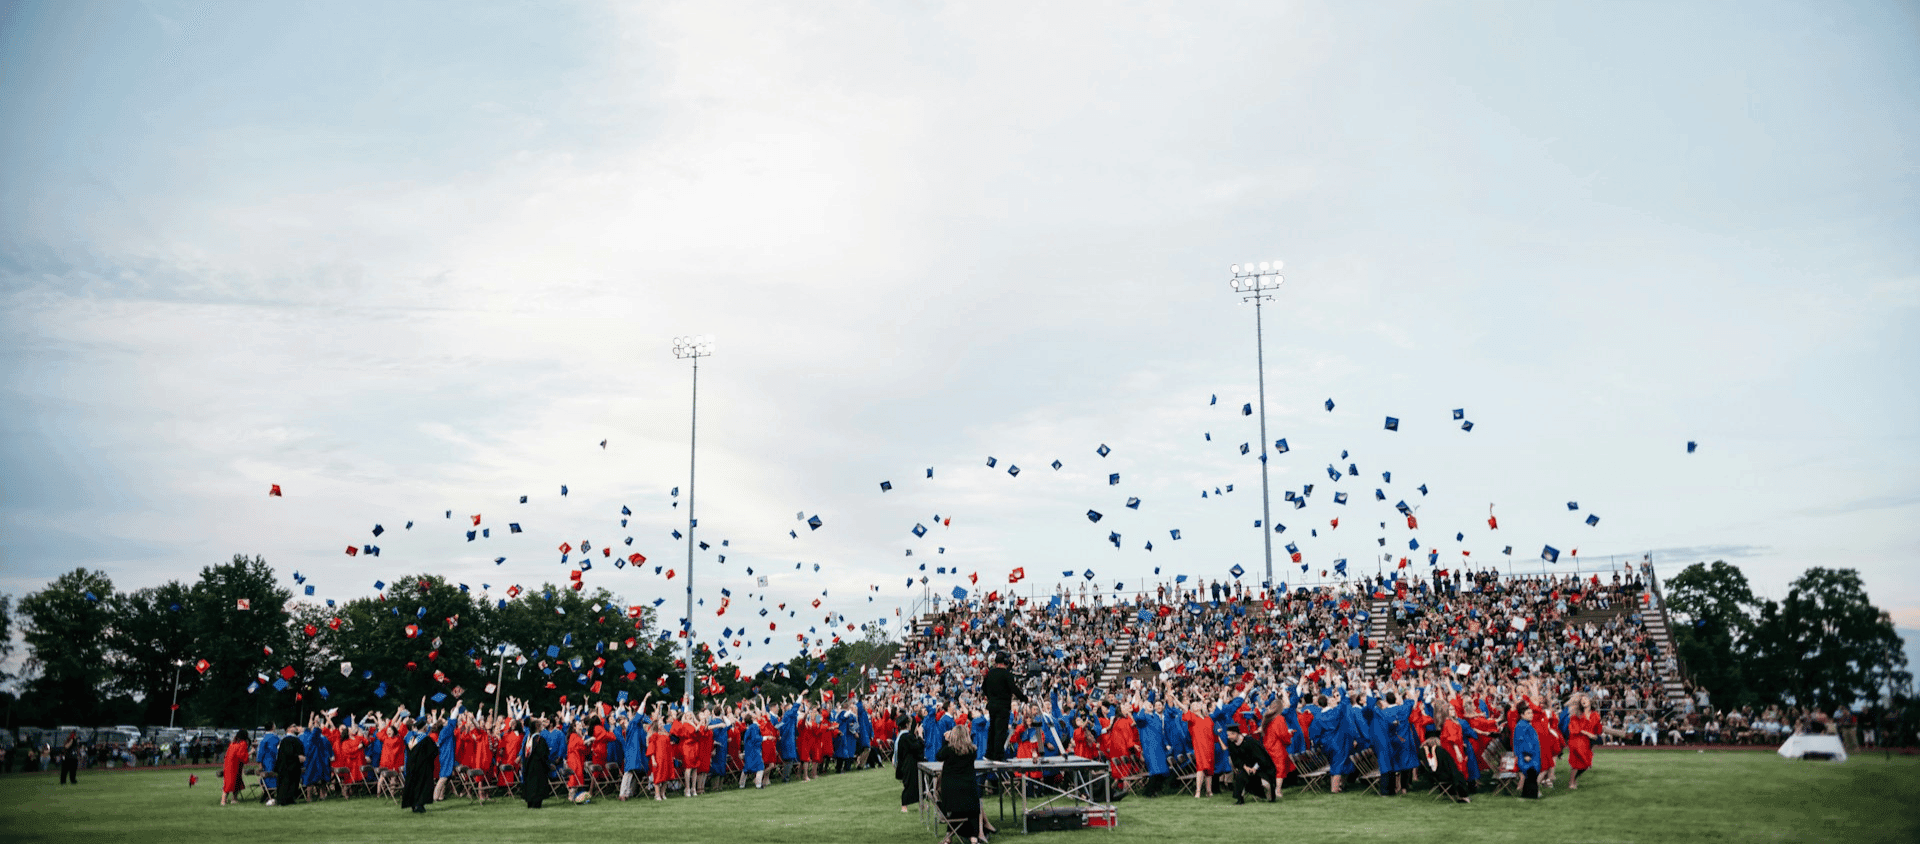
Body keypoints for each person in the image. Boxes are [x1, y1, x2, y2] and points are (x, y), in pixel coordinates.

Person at [936, 723, 985, 843]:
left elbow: (938, 756)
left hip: (950, 794)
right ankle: (974, 837)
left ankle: (949, 836)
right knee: (973, 809)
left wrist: (946, 741)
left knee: (956, 807)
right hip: (968, 793)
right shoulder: (972, 751)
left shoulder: (948, 750)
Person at [983, 653, 1028, 761]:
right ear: (1005, 662)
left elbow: (984, 687)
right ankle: (998, 756)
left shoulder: (990, 673)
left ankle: (989, 754)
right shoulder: (1006, 674)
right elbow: (1013, 688)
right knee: (1000, 731)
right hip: (1002, 706)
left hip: (992, 705)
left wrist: (991, 698)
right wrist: (1024, 698)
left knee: (992, 729)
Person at [1224, 724, 1276, 804]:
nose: (1228, 737)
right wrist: (1245, 767)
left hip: (1260, 767)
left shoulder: (1250, 742)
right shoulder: (1231, 743)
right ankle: (1240, 799)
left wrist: (1254, 768)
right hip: (1245, 768)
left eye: (1230, 735)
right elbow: (1236, 759)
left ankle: (1270, 798)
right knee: (1240, 776)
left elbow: (1261, 757)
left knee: (1266, 784)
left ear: (1236, 733)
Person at [400, 719, 437, 813]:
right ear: (425, 727)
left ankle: (413, 804)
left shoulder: (410, 738)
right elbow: (434, 752)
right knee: (422, 784)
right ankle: (419, 805)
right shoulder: (426, 739)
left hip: (410, 766)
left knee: (412, 784)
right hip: (422, 767)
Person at [1566, 693, 1601, 790]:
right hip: (1576, 739)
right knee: (1577, 762)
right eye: (1582, 701)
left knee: (1586, 764)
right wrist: (1587, 733)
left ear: (1590, 701)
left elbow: (1597, 729)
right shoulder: (1577, 714)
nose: (1583, 701)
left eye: (1585, 699)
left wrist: (1594, 736)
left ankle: (1573, 780)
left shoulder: (1595, 715)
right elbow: (1574, 727)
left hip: (1586, 741)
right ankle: (1571, 782)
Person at [894, 719, 925, 812]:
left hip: (906, 764)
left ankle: (921, 805)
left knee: (916, 784)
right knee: (910, 784)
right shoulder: (906, 737)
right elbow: (917, 747)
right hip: (909, 764)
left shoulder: (902, 737)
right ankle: (904, 806)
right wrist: (920, 736)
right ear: (907, 725)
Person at [522, 718, 551, 808]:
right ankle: (536, 803)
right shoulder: (539, 739)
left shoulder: (528, 739)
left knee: (530, 783)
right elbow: (543, 753)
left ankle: (530, 802)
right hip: (538, 766)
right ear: (537, 727)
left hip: (529, 765)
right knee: (537, 784)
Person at [274, 725, 306, 807]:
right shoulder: (286, 740)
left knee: (294, 782)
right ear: (288, 729)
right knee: (286, 782)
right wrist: (297, 757)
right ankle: (283, 799)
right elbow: (288, 753)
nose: (295, 727)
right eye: (293, 726)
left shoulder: (296, 739)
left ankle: (290, 798)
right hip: (287, 765)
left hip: (294, 765)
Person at [220, 730, 250, 806]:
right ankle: (224, 800)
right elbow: (242, 756)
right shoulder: (243, 744)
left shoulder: (233, 744)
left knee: (235, 781)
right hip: (235, 765)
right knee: (231, 782)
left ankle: (233, 799)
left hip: (229, 764)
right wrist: (251, 752)